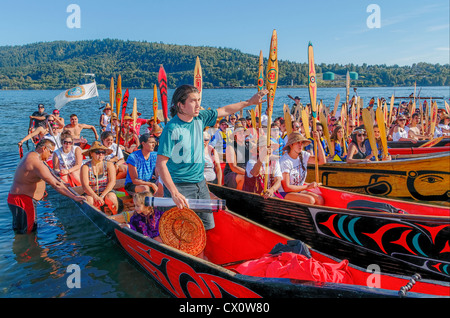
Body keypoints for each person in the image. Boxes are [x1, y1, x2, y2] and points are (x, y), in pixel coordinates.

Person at [156, 84, 268, 230]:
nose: (198, 105)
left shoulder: (200, 118)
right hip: (179, 186)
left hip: (200, 184)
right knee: (180, 230)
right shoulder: (171, 129)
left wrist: (249, 102)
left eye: (199, 100)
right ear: (181, 105)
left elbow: (225, 110)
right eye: (193, 101)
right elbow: (161, 164)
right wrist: (174, 193)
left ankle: (200, 251)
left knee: (207, 226)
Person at [8, 139, 85, 234]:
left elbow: (51, 174)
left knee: (20, 230)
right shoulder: (35, 162)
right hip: (23, 201)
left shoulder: (32, 155)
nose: (51, 155)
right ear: (44, 148)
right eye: (51, 152)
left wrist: (63, 183)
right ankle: (30, 248)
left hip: (18, 200)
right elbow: (55, 185)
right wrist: (74, 197)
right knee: (28, 232)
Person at [278, 131, 325, 205]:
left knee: (320, 199)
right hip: (284, 193)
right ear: (291, 145)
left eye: (301, 143)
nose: (300, 146)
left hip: (297, 190)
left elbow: (322, 161)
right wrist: (308, 186)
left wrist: (318, 141)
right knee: (310, 200)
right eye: (298, 143)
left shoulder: (303, 155)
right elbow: (286, 188)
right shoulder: (285, 161)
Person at [80, 141, 118, 215]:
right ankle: (96, 216)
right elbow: (85, 186)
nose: (101, 155)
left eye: (103, 152)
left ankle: (115, 216)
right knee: (90, 200)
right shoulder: (85, 167)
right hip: (91, 193)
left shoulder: (109, 165)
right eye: (97, 152)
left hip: (105, 192)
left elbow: (112, 182)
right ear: (91, 153)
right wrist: (96, 197)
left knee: (111, 197)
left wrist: (102, 196)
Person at [223, 122, 250, 190]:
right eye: (240, 133)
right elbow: (233, 167)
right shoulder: (230, 147)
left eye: (243, 133)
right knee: (243, 178)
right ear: (235, 135)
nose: (242, 135)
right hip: (232, 174)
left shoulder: (248, 145)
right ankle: (239, 196)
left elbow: (260, 148)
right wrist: (248, 174)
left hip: (246, 172)